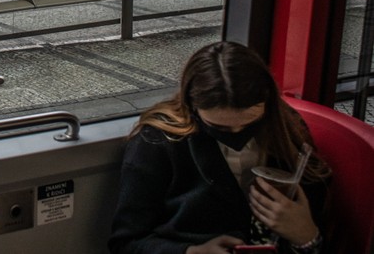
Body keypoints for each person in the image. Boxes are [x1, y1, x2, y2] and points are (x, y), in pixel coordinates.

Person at [108, 41, 330, 254]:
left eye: (250, 124)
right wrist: (190, 252)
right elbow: (126, 243)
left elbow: (318, 229)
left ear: (268, 105)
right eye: (218, 128)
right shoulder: (159, 143)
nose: (236, 136)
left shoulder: (288, 134)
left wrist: (306, 235)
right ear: (192, 107)